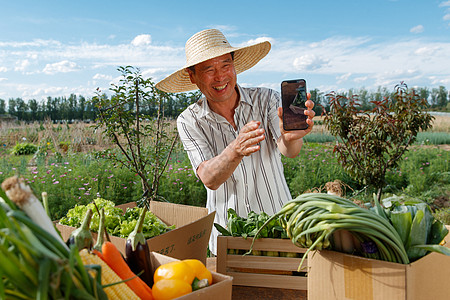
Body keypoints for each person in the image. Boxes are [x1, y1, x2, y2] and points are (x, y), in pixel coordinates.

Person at [156, 29, 315, 255]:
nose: (220, 76)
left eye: (225, 65)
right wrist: (235, 150)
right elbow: (209, 178)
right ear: (193, 76)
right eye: (208, 69)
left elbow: (288, 150)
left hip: (279, 229)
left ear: (234, 66)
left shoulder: (267, 99)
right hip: (228, 239)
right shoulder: (189, 120)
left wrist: (291, 137)